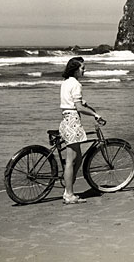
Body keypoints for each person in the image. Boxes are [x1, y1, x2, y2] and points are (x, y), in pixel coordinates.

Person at [59, 56, 105, 204]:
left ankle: (68, 188)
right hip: (73, 122)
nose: (84, 70)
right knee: (71, 161)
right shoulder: (77, 84)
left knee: (77, 158)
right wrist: (95, 114)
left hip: (66, 119)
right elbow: (78, 107)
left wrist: (83, 103)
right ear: (76, 70)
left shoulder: (65, 83)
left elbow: (72, 102)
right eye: (82, 68)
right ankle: (69, 195)